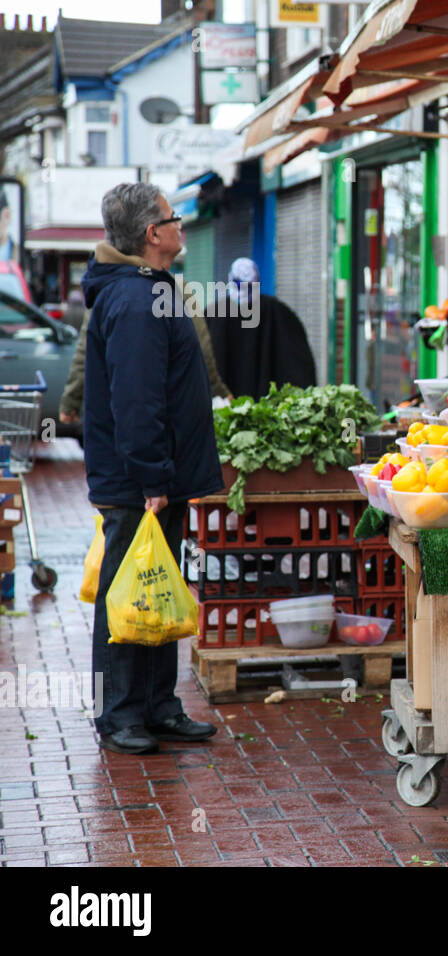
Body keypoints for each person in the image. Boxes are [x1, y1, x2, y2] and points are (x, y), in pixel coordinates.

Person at [81, 182, 224, 755]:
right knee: (126, 592)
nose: (181, 224)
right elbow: (136, 400)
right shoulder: (136, 301)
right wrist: (152, 479)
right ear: (152, 233)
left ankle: (159, 706)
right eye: (174, 217)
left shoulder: (150, 290)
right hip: (140, 483)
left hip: (157, 476)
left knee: (157, 585)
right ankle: (118, 713)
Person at [60, 272, 229, 424]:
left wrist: (71, 400)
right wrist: (218, 391)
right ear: (153, 238)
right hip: (168, 406)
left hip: (116, 405)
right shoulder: (176, 287)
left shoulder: (105, 288)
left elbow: (86, 350)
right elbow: (201, 348)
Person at [205, 257, 317, 398]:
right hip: (268, 413)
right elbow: (300, 369)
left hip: (223, 410)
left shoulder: (212, 314)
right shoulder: (279, 313)